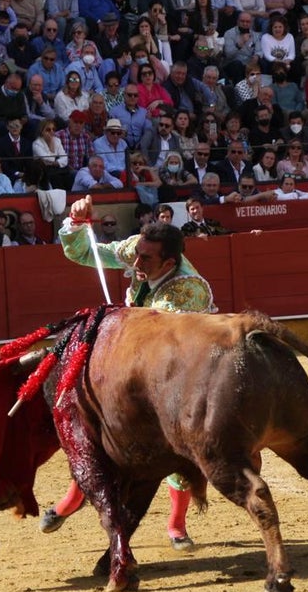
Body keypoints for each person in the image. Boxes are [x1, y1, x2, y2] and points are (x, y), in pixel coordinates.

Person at [43, 193, 214, 549]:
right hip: (137, 363)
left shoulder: (187, 289)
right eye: (136, 253)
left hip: (185, 369)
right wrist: (76, 223)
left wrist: (117, 320)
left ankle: (176, 524)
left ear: (168, 263)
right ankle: (72, 499)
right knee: (96, 431)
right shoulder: (141, 249)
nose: (135, 261)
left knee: (180, 444)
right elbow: (84, 252)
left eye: (145, 259)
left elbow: (160, 340)